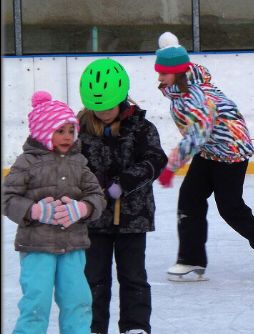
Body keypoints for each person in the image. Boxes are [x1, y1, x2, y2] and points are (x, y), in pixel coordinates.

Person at [154, 32, 254, 277]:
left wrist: (172, 165)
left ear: (178, 73)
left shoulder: (196, 97)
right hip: (210, 151)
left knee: (230, 207)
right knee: (190, 198)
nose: (159, 77)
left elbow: (198, 134)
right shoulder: (179, 88)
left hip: (230, 151)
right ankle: (191, 258)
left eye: (163, 72)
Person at [2, 91, 106, 334]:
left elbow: (97, 196)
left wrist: (84, 208)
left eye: (71, 131)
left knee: (78, 301)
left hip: (73, 246)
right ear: (43, 130)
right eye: (60, 131)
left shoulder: (79, 162)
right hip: (37, 247)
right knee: (36, 303)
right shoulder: (26, 163)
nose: (67, 137)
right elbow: (6, 198)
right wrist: (34, 210)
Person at [78, 58, 168, 334]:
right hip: (94, 218)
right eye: (97, 107)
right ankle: (93, 328)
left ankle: (135, 327)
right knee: (93, 278)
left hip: (132, 217)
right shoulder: (79, 129)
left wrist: (122, 183)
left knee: (132, 276)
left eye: (108, 106)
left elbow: (155, 160)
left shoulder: (141, 127)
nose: (103, 112)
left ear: (121, 98)